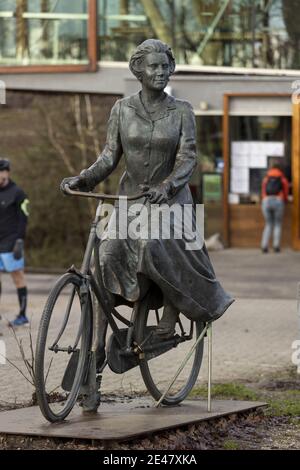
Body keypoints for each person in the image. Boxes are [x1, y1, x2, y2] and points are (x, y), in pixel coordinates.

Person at [61, 39, 234, 409]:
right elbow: (109, 156)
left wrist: (167, 186)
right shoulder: (122, 109)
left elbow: (188, 157)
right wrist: (85, 179)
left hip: (172, 203)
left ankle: (168, 321)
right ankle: (94, 358)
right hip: (131, 203)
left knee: (158, 244)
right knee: (103, 257)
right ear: (138, 70)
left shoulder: (183, 111)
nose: (160, 73)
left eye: (165, 67)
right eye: (152, 67)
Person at [0, 158, 30, 327]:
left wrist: (19, 240)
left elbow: (23, 218)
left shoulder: (18, 193)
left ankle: (22, 316)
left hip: (11, 243)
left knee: (18, 278)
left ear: (6, 172)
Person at [261, 163, 289, 253]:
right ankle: (276, 246)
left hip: (266, 201)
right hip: (278, 200)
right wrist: (284, 200)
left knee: (268, 224)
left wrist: (265, 198)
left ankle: (264, 246)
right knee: (277, 224)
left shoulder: (266, 178)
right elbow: (286, 191)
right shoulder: (282, 178)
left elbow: (263, 191)